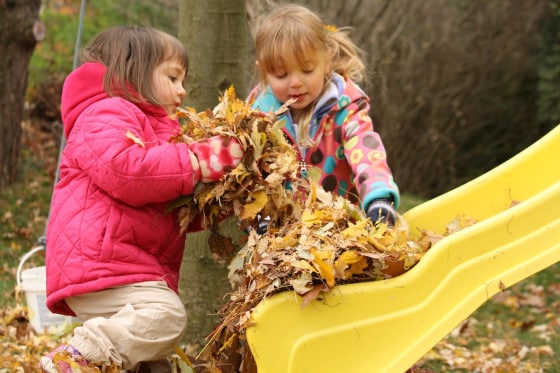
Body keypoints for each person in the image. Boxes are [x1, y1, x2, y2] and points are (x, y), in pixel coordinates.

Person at [40, 25, 243, 372]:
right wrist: (195, 161)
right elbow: (128, 171)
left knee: (152, 361)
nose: (182, 92)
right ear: (136, 70)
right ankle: (74, 358)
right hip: (102, 259)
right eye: (173, 78)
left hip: (126, 261)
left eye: (184, 82)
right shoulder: (105, 112)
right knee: (164, 318)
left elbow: (166, 202)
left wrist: (218, 202)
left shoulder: (155, 128)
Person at [248, 3, 400, 228]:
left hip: (337, 228)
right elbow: (254, 174)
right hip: (281, 235)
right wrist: (261, 218)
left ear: (326, 61)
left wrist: (378, 197)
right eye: (281, 74)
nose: (296, 82)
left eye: (307, 70)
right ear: (264, 72)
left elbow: (367, 151)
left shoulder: (346, 110)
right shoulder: (258, 116)